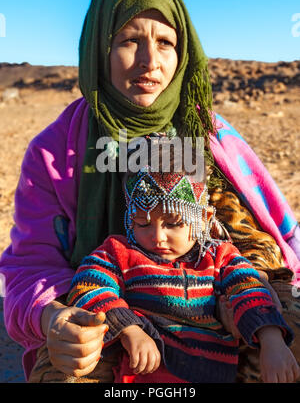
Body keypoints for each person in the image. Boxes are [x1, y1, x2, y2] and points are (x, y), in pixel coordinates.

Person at [0, 0, 299, 383]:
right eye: (128, 41)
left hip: (227, 309)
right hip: (109, 323)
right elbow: (29, 268)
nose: (150, 62)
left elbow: (278, 235)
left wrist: (266, 323)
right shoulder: (56, 152)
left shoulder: (212, 136)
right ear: (98, 49)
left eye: (166, 43)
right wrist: (54, 318)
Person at [66, 154, 298, 383]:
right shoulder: (119, 252)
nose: (158, 237)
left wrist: (272, 341)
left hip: (211, 372)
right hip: (141, 375)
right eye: (142, 223)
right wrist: (130, 330)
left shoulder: (221, 256)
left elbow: (250, 289)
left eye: (173, 224)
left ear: (204, 218)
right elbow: (90, 286)